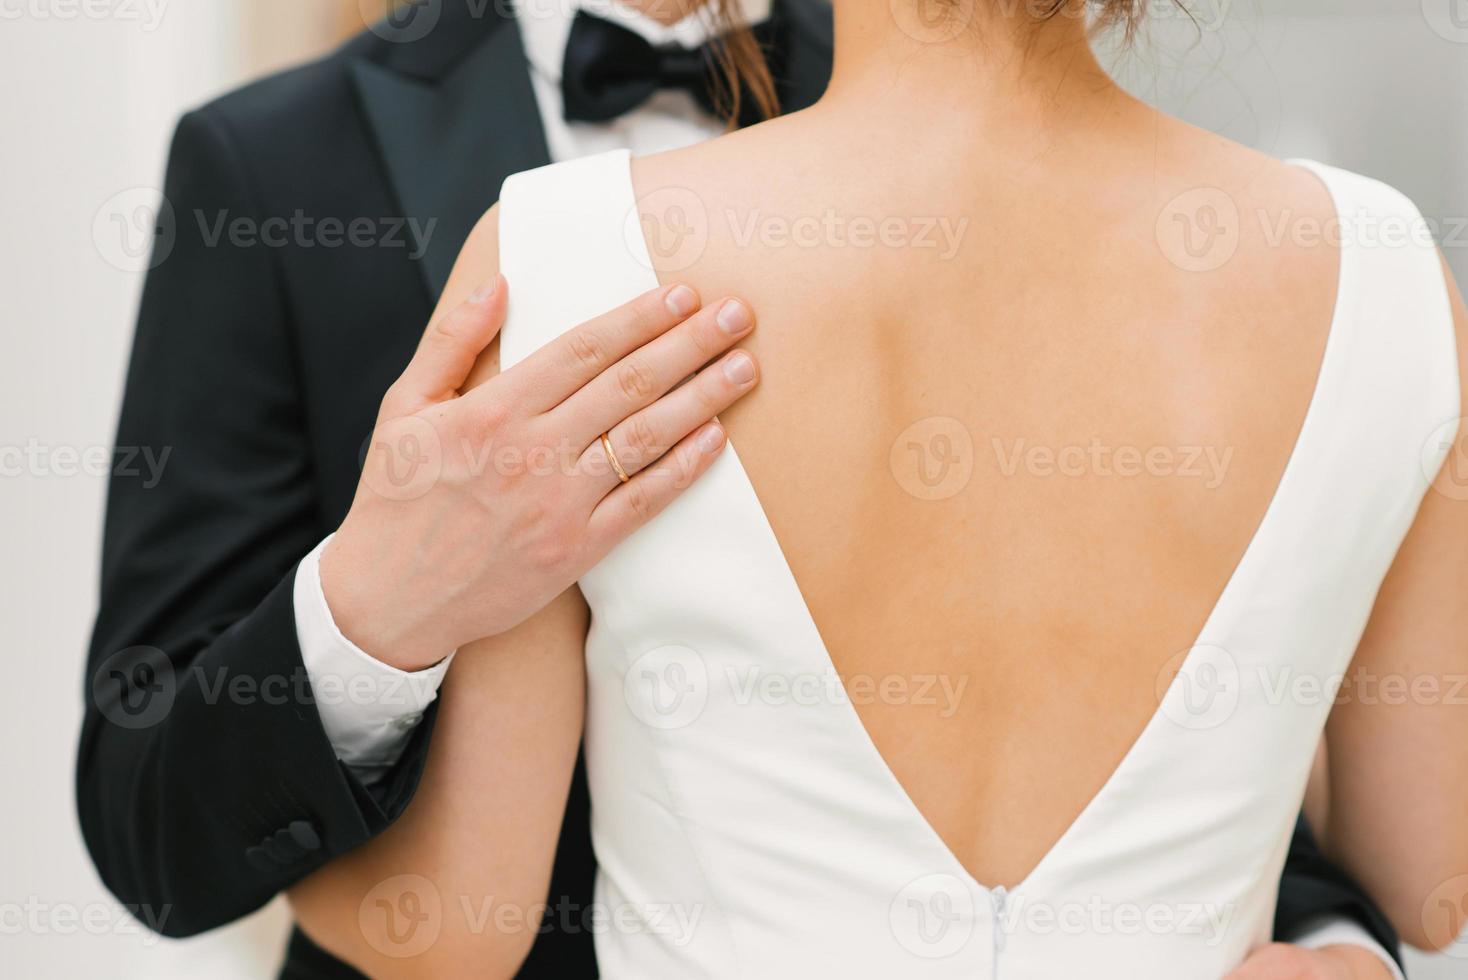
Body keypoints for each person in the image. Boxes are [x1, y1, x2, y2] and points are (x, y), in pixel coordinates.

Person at [79, 0, 1427, 977]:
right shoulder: (267, 166)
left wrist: (1331, 940)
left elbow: (442, 930)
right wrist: (369, 614)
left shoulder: (558, 248)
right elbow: (142, 797)